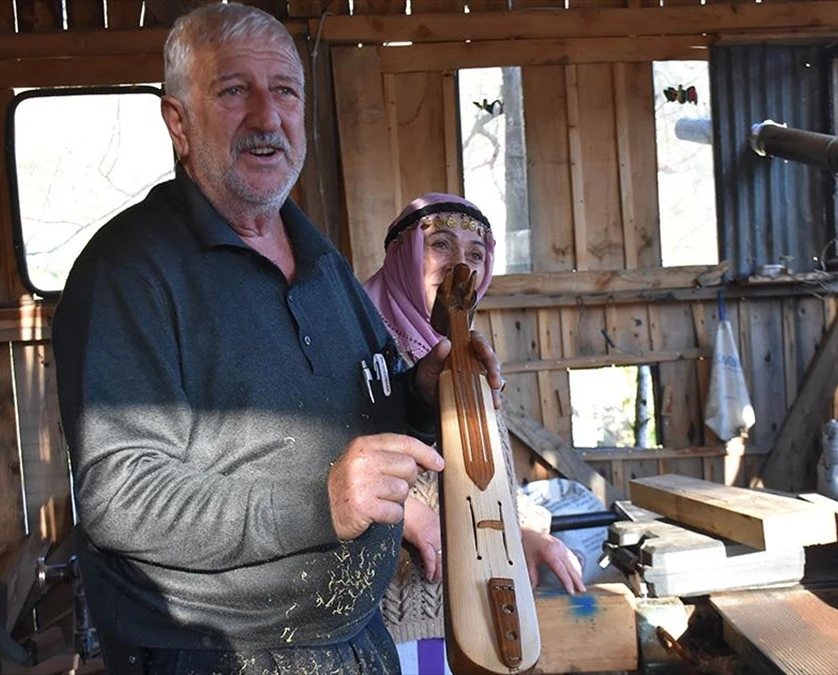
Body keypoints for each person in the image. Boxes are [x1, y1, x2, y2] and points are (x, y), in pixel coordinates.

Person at [50, 6, 505, 674]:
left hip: (353, 639)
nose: (267, 118)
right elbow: (120, 498)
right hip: (216, 655)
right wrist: (321, 502)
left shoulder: (320, 261)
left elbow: (364, 404)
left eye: (284, 92)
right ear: (178, 122)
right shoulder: (128, 271)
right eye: (234, 91)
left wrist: (422, 393)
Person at [364, 193, 586, 674]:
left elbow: (487, 476)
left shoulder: (468, 355)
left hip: (468, 619)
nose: (459, 267)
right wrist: (401, 510)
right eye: (440, 245)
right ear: (403, 258)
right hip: (381, 627)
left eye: (475, 254)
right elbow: (309, 458)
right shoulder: (359, 348)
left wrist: (525, 531)